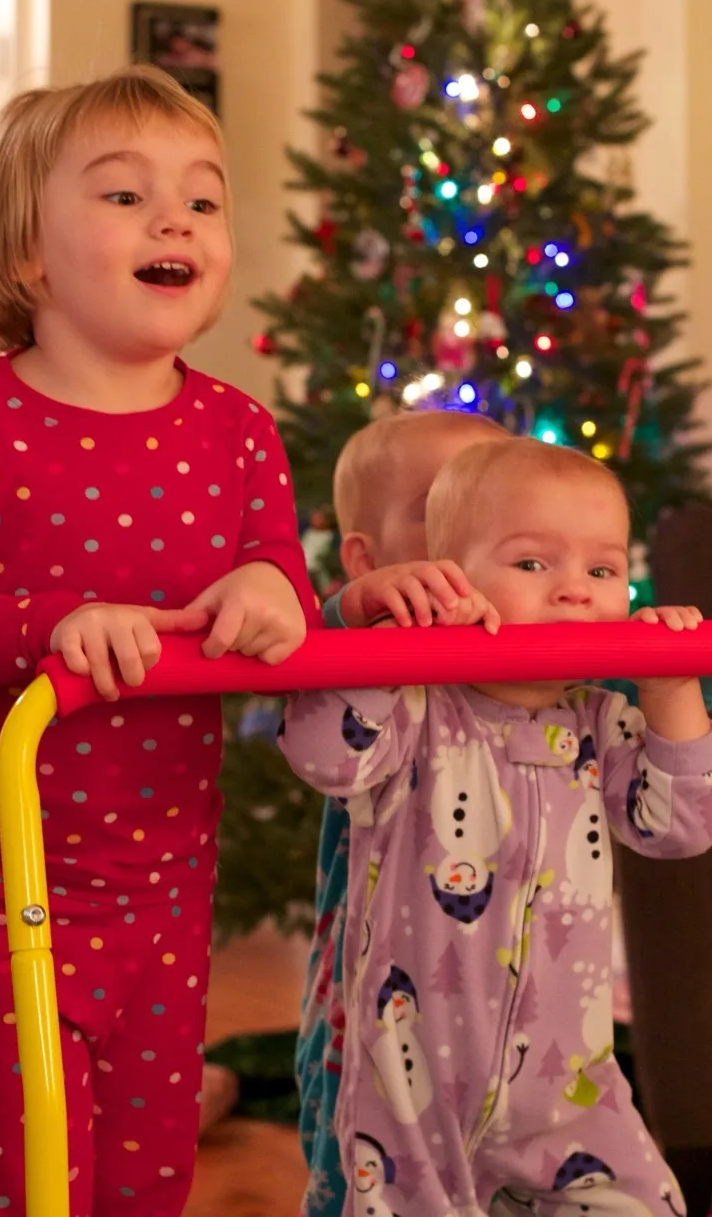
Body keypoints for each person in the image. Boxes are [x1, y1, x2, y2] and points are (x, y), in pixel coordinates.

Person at [0, 65, 319, 1217]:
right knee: (22, 1174)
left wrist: (276, 591)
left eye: (203, 199)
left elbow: (282, 581)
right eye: (124, 196)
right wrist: (53, 625)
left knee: (145, 1173)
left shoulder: (236, 431)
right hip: (0, 879)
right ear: (28, 253)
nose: (175, 218)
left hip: (169, 885)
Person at [279, 437, 712, 1217]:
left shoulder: (600, 718)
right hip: (410, 1090)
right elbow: (324, 753)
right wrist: (404, 637)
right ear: (451, 575)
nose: (573, 593)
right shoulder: (416, 709)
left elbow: (680, 827)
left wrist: (669, 687)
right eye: (531, 564)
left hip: (570, 1087)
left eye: (602, 570)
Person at [296, 410, 511, 1215]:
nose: (475, 520)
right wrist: (352, 610)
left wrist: (685, 650)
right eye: (442, 500)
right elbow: (298, 654)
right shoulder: (360, 648)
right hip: (373, 1021)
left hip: (515, 1016)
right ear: (367, 557)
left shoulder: (552, 651)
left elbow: (660, 684)